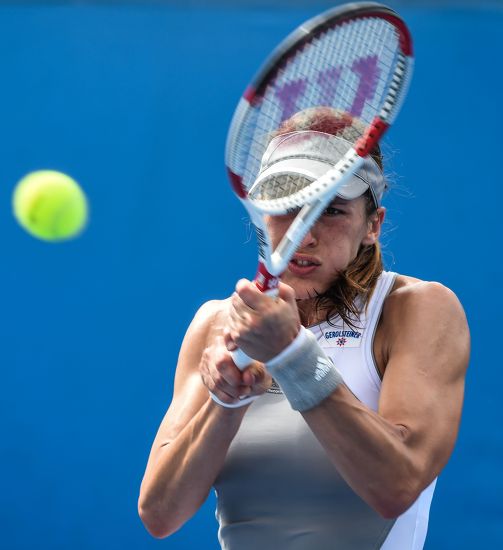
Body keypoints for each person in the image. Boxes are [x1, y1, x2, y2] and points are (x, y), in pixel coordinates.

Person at [138, 107, 470, 549]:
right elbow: (160, 514)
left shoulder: (415, 309)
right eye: (285, 205)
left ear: (373, 224)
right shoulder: (216, 323)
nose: (303, 234)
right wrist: (226, 400)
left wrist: (293, 355)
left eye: (331, 210)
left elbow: (397, 485)